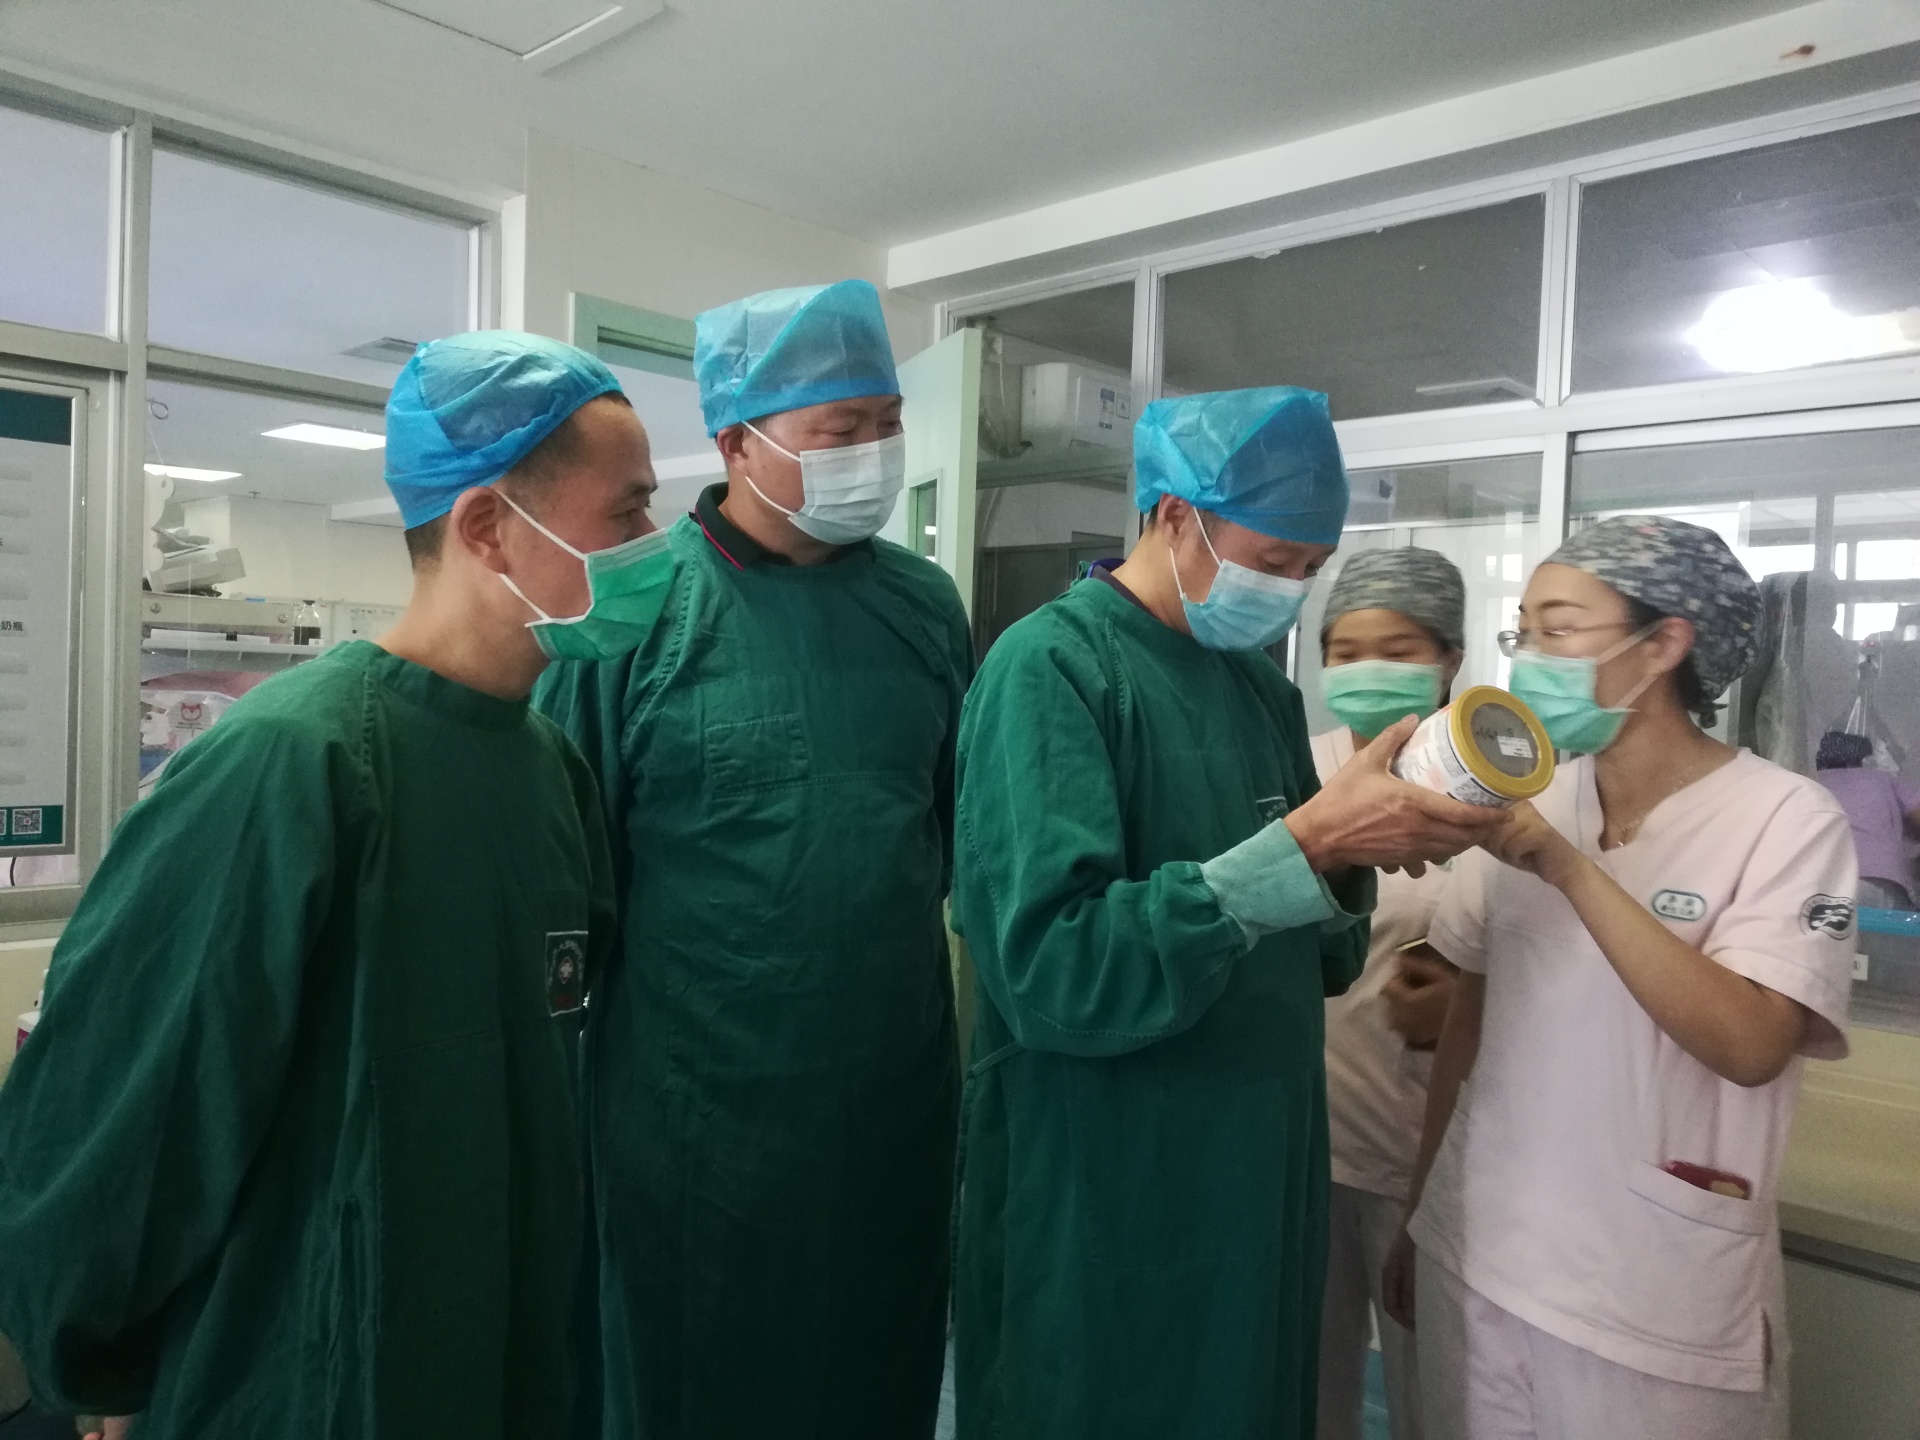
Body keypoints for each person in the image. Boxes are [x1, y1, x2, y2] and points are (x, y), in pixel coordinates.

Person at [0, 331, 662, 1439]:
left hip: (501, 1356)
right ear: (488, 527)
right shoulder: (292, 762)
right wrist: (96, 1357)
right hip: (304, 1374)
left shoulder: (549, 770)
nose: (656, 547)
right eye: (630, 513)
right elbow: (124, 1104)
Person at [948, 386, 1508, 1440]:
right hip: (1110, 1180)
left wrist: (1366, 846)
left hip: (1256, 1173)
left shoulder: (1256, 692)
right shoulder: (1052, 668)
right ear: (1175, 516)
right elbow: (1052, 970)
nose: (1289, 590)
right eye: (1274, 558)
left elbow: (1324, 960)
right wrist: (1307, 846)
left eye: (1309, 568)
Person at [535, 279, 972, 1440]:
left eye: (888, 422)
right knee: (696, 1383)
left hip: (890, 1104)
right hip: (697, 1123)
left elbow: (946, 835)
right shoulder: (635, 611)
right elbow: (565, 881)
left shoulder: (924, 609)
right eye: (841, 428)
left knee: (876, 1370)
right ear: (737, 442)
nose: (874, 451)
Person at [1382, 515, 1857, 1440]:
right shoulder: (1530, 796)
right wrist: (1419, 1206)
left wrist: (1569, 869)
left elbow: (1753, 1044)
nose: (1530, 659)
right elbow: (1468, 1021)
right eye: (1523, 632)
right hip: (1479, 1250)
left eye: (1559, 630)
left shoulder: (1786, 820)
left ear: (1665, 644)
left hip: (1650, 1295)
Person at [1312, 547, 1469, 1440]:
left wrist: (1468, 1004)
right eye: (1346, 650)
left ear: (1450, 658)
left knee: (1433, 1400)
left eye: (1399, 649)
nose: (1368, 668)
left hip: (1434, 1162)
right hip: (1310, 1140)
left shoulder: (1502, 789)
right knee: (1308, 1393)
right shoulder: (1297, 773)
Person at [1815, 729, 1920, 909]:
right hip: (1881, 876)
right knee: (1885, 926)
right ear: (1863, 757)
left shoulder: (1811, 782)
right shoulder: (1882, 779)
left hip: (1824, 878)